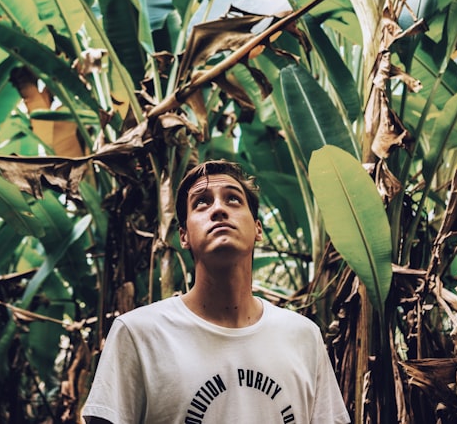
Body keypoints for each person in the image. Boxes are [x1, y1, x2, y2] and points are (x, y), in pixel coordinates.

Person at [82, 160, 350, 424]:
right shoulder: (138, 334)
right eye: (201, 202)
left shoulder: (303, 336)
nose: (219, 209)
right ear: (184, 235)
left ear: (258, 229)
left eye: (233, 199)